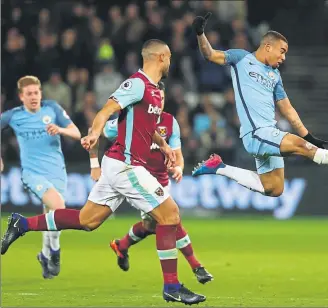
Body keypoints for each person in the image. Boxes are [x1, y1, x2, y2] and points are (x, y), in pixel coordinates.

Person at [1, 39, 206, 305]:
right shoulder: (137, 84)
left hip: (119, 165)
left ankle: (22, 223)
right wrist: (94, 133)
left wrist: (165, 145)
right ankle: (172, 286)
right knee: (170, 215)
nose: (170, 62)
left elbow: (149, 126)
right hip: (126, 164)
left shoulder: (156, 92)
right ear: (161, 57)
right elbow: (106, 110)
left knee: (88, 220)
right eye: (169, 58)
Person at [191, 13, 328, 197]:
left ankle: (220, 167)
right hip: (256, 133)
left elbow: (287, 109)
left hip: (269, 133)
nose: (284, 58)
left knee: (274, 189)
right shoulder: (241, 58)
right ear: (267, 47)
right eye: (282, 51)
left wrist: (308, 135)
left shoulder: (275, 76)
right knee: (303, 148)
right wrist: (200, 34)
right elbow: (210, 55)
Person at [89, 81, 212, 284]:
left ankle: (122, 245)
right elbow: (96, 133)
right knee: (172, 220)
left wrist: (179, 168)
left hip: (162, 181)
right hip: (137, 179)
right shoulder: (129, 120)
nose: (159, 102)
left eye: (162, 99)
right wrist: (95, 163)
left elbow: (178, 154)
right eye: (156, 99)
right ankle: (196, 266)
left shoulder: (170, 123)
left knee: (151, 225)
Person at [0, 75, 81, 279]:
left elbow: (76, 133)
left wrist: (60, 129)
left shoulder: (52, 108)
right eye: (29, 94)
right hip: (32, 173)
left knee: (51, 215)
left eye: (36, 92)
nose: (34, 97)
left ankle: (44, 255)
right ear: (21, 97)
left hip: (57, 171)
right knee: (58, 206)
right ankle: (55, 252)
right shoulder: (13, 116)